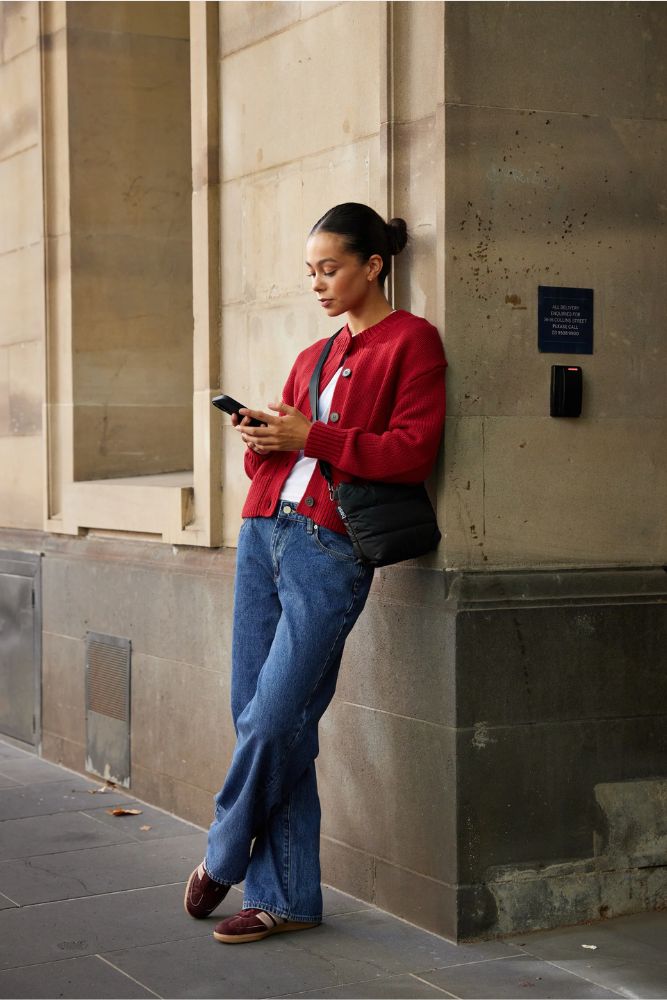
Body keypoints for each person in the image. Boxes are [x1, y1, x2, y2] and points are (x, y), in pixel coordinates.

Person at [184, 202, 447, 944]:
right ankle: (286, 897)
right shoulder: (313, 356)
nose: (319, 283)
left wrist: (313, 434)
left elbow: (409, 451)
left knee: (274, 719)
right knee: (266, 719)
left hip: (328, 547)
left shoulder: (412, 343)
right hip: (264, 533)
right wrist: (265, 439)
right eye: (311, 272)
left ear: (373, 265)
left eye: (330, 268)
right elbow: (287, 450)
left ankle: (222, 852)